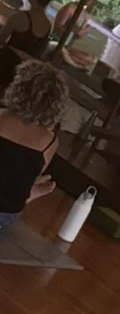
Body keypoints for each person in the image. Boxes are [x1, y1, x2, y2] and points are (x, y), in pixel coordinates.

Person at [0, 61, 68, 227]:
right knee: (21, 182)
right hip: (6, 214)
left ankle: (31, 190)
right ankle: (31, 192)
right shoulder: (49, 141)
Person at [0, 0, 56, 89]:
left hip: (7, 63)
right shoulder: (48, 25)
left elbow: (1, 39)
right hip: (26, 70)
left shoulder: (20, 17)